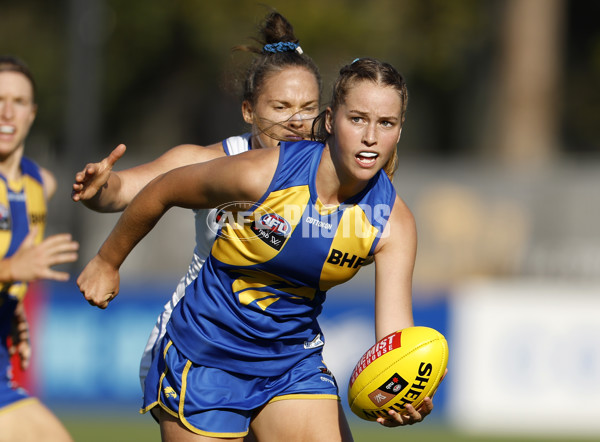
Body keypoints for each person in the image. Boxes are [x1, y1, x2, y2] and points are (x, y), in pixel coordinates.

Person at [77, 57, 436, 441]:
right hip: (206, 355)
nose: (370, 137)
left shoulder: (393, 222)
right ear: (331, 121)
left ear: (399, 131)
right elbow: (161, 188)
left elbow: (394, 341)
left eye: (386, 123)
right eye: (358, 119)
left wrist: (399, 392)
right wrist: (107, 260)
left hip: (291, 361)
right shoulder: (263, 172)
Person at [70, 11, 322, 394]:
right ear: (248, 111)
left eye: (308, 108)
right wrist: (101, 188)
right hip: (198, 345)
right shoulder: (209, 163)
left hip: (282, 352)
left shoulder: (329, 173)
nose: (297, 121)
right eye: (282, 107)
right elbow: (124, 192)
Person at [0, 55, 78, 442]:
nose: (6, 112)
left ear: (32, 113)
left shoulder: (39, 184)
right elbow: (12, 265)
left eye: (17, 101)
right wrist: (10, 269)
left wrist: (9, 306)